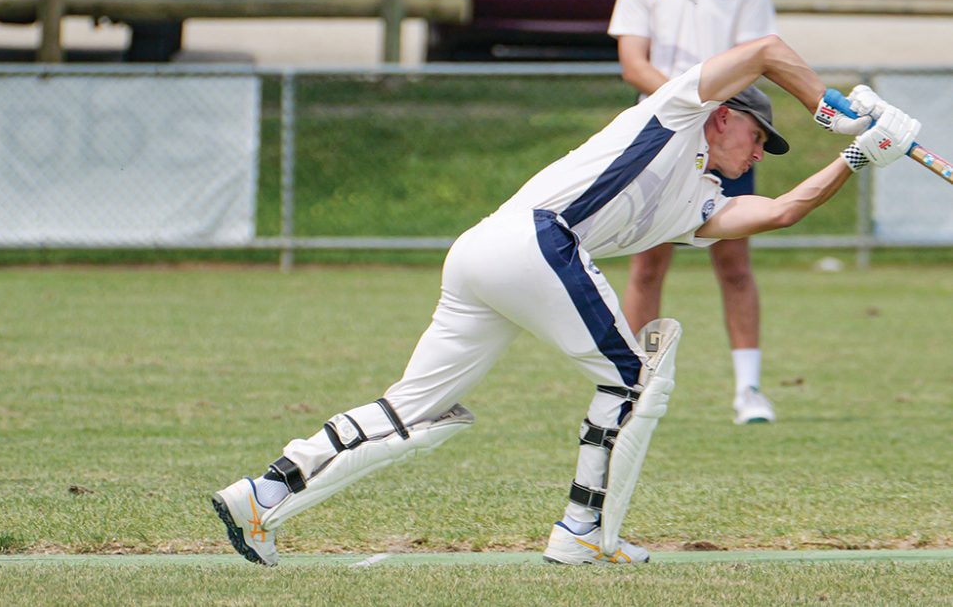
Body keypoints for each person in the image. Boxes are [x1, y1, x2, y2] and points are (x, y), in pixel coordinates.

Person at [211, 34, 919, 566]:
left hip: (483, 253)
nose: (761, 152)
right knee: (633, 378)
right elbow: (766, 50)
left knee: (410, 410)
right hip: (533, 242)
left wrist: (860, 157)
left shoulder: (699, 197)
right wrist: (833, 108)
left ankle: (263, 493)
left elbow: (780, 213)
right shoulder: (675, 110)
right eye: (760, 136)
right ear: (725, 116)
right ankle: (582, 529)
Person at [608, 0, 780, 424]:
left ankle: (749, 390)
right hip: (659, 136)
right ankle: (633, 386)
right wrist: (687, 100)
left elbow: (757, 57)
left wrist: (716, 110)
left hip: (726, 133)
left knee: (733, 260)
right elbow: (634, 64)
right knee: (648, 263)